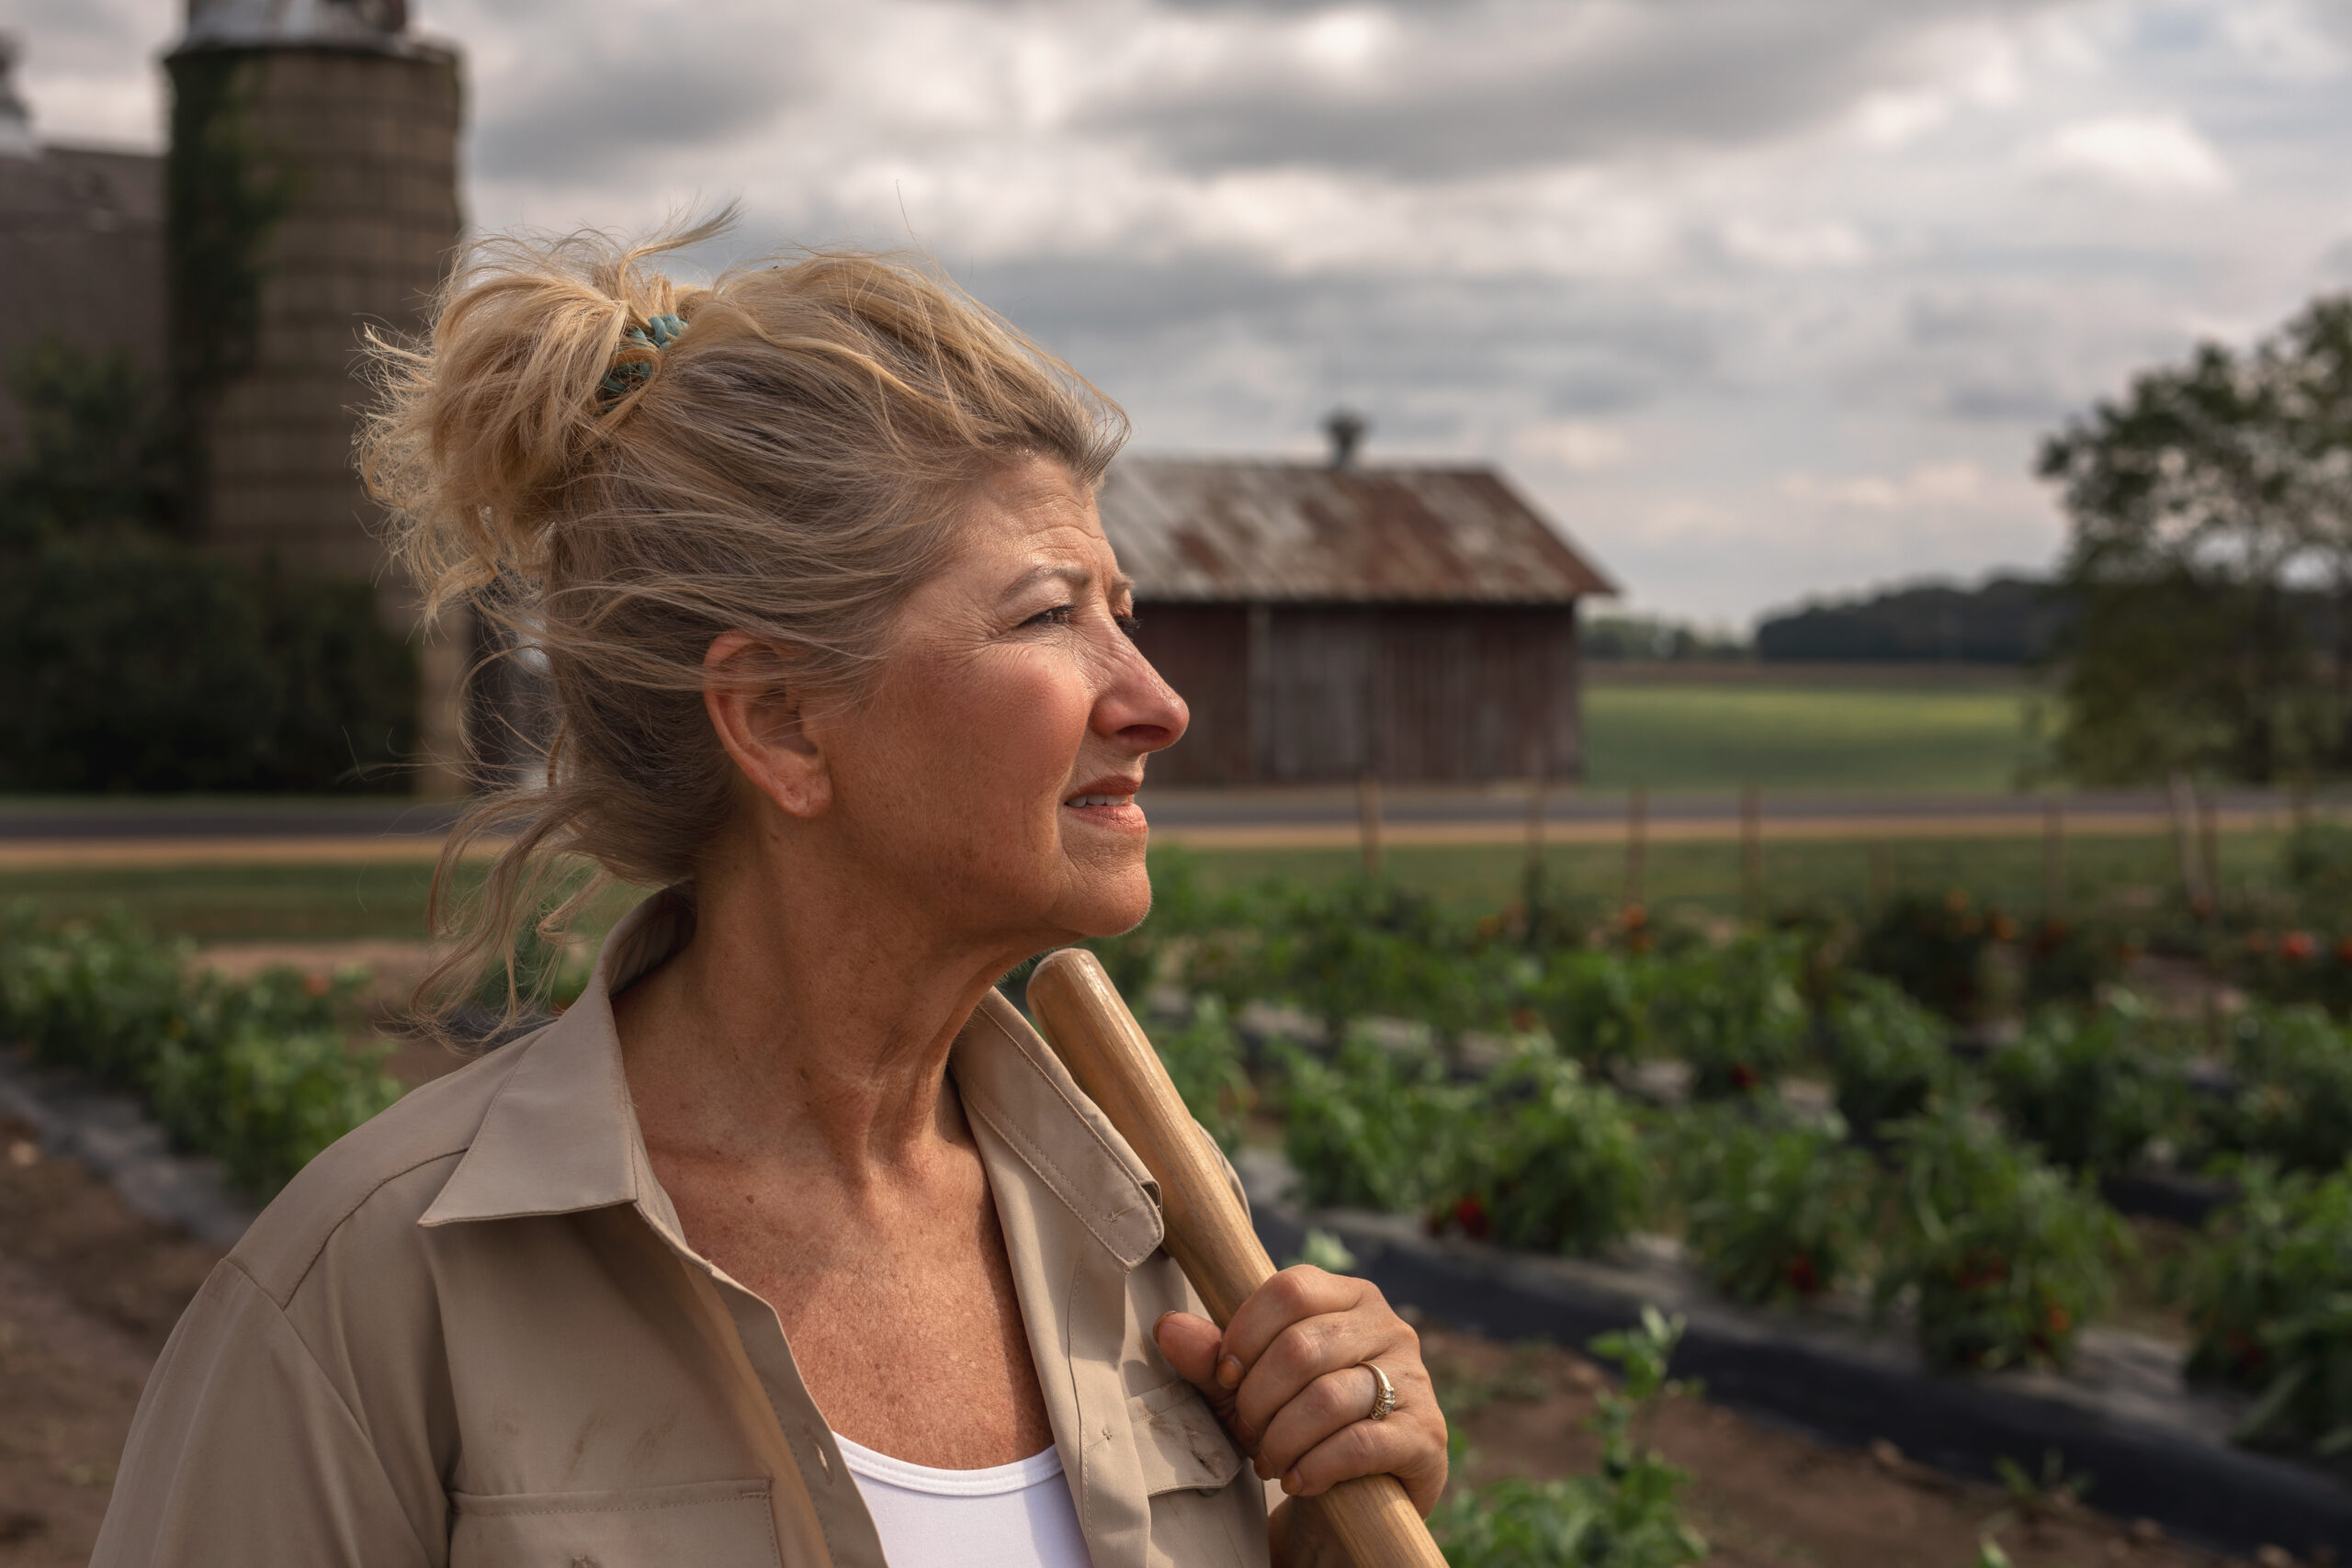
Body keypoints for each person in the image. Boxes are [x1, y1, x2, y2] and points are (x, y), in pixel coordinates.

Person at [91, 220, 1446, 1567]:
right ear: (782, 724)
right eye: (1046, 616)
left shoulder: (1149, 1222)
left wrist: (1322, 1541)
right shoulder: (372, 1291)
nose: (1156, 704)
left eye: (1122, 613)